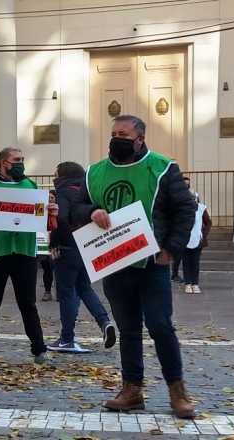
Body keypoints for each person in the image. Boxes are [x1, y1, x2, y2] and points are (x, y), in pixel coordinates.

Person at [70, 115, 196, 418]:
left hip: (153, 263)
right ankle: (132, 390)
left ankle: (177, 391)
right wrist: (92, 212)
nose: (117, 138)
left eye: (123, 133)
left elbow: (184, 209)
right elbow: (74, 209)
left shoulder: (163, 167)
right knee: (127, 330)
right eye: (113, 133)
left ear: (139, 137)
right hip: (114, 262)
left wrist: (171, 249)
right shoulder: (95, 172)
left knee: (160, 326)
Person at [0, 147, 59, 366]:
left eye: (22, 160)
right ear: (3, 163)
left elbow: (42, 222)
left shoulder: (31, 186)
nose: (21, 164)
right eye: (16, 160)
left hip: (25, 253)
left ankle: (39, 350)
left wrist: (51, 213)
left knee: (28, 303)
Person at [48, 161, 115, 354]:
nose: (54, 177)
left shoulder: (63, 192)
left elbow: (60, 218)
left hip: (67, 248)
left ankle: (67, 338)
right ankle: (105, 322)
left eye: (55, 173)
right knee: (85, 288)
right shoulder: (88, 190)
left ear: (62, 175)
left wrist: (55, 243)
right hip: (88, 248)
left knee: (66, 293)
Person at [182, 193, 212, 294]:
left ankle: (195, 284)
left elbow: (208, 222)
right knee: (186, 263)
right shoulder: (181, 209)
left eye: (193, 199)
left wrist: (204, 234)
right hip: (184, 240)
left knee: (195, 263)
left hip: (198, 240)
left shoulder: (201, 208)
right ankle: (187, 284)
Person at [172, 176, 194, 283]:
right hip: (178, 227)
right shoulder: (175, 194)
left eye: (188, 183)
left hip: (189, 227)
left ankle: (189, 276)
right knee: (178, 254)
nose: (187, 185)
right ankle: (174, 274)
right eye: (185, 183)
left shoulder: (193, 194)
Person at [38, 192, 55, 302]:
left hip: (56, 244)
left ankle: (60, 292)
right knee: (47, 269)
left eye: (52, 197)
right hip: (43, 244)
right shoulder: (40, 210)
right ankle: (47, 292)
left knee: (59, 269)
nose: (50, 200)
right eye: (48, 198)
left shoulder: (60, 210)